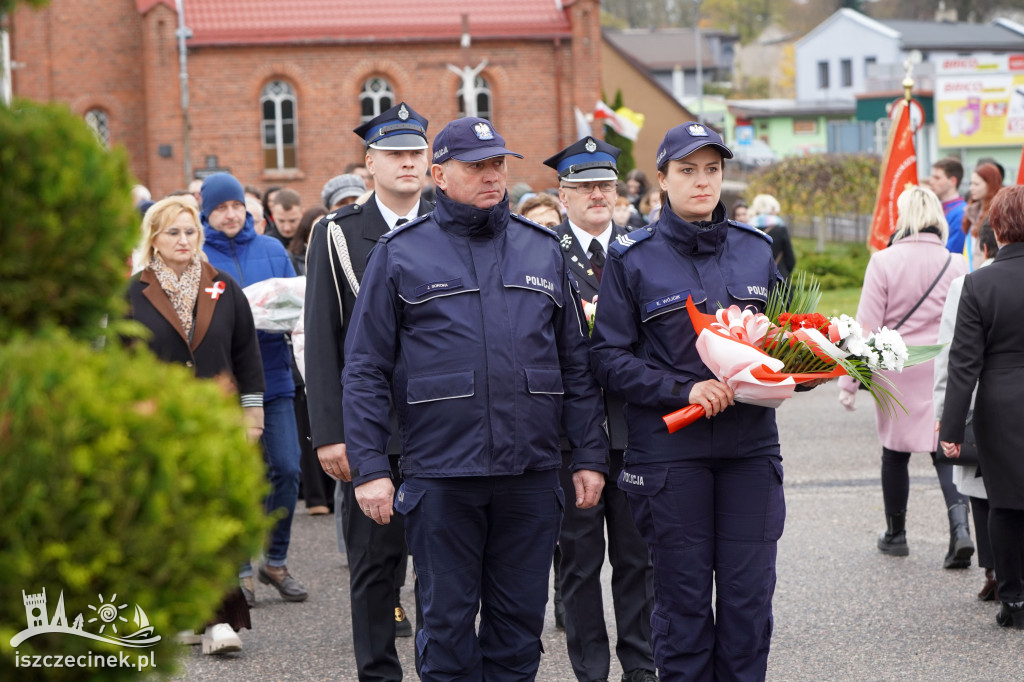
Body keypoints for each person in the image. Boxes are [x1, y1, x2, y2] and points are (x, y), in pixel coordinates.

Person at [342, 116, 609, 681]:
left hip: (531, 474)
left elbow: (574, 366)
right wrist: (369, 467)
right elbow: (365, 369)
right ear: (440, 174)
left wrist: (588, 455)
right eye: (476, 166)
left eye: (498, 164)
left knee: (518, 628)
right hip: (443, 475)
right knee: (446, 626)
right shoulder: (401, 254)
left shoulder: (541, 250)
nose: (492, 176)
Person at [590, 122, 788, 681]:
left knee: (750, 605)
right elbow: (607, 357)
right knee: (683, 609)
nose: (702, 182)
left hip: (750, 449)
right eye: (687, 170)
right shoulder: (633, 258)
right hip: (671, 456)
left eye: (712, 170)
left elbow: (784, 336)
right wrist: (684, 388)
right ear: (662, 180)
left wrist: (798, 369)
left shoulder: (755, 251)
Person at [304, 102, 434, 680]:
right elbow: (322, 339)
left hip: (442, 430)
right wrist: (332, 433)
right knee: (375, 568)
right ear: (369, 164)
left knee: (441, 567)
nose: (408, 163)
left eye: (416, 152)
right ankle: (378, 673)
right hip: (372, 430)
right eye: (395, 154)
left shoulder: (445, 224)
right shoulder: (337, 234)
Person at [127, 196, 264, 655]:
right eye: (173, 233)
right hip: (160, 424)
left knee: (216, 518)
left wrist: (252, 413)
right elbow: (119, 362)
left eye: (190, 232)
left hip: (219, 423)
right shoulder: (131, 294)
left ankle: (220, 623)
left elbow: (247, 355)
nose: (184, 240)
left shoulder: (223, 287)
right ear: (154, 239)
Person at [543, 137, 656, 682]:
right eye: (583, 186)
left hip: (635, 428)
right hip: (573, 434)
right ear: (562, 195)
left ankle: (641, 663)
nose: (596, 194)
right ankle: (590, 668)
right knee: (580, 561)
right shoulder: (543, 252)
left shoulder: (641, 251)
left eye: (604, 185)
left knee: (638, 559)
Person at [837, 186, 971, 567]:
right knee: (943, 452)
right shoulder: (956, 263)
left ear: (903, 216)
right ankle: (960, 531)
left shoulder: (883, 261)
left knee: (894, 455)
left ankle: (896, 535)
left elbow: (863, 328)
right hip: (942, 368)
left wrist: (848, 383)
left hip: (896, 368)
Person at [201, 172, 309, 605]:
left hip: (274, 378)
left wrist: (275, 314)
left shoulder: (270, 249)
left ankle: (275, 561)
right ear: (208, 212)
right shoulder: (201, 257)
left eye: (236, 207)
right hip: (225, 387)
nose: (230, 215)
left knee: (286, 469)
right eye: (221, 208)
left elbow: (292, 304)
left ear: (247, 210)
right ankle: (241, 568)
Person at [940, 185, 1024, 629]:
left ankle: (1013, 599)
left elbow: (963, 364)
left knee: (1006, 504)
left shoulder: (979, 283)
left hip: (1001, 404)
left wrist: (950, 430)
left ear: (999, 227)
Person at [933, 224, 1000, 602]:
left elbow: (950, 357)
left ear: (983, 244)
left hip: (982, 404)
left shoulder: (969, 286)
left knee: (982, 489)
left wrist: (945, 415)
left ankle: (993, 571)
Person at [963, 163, 1002, 271]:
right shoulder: (971, 211)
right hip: (972, 273)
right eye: (971, 183)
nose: (971, 188)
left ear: (990, 185)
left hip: (987, 273)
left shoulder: (998, 214)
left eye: (976, 184)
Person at [749, 193, 797, 280]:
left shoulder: (749, 229)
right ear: (771, 210)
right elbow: (790, 260)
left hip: (755, 279)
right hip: (779, 277)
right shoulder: (780, 230)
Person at [929, 157, 966, 254]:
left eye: (937, 178)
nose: (931, 182)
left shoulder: (961, 212)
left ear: (952, 181)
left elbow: (952, 250)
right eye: (932, 177)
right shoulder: (935, 207)